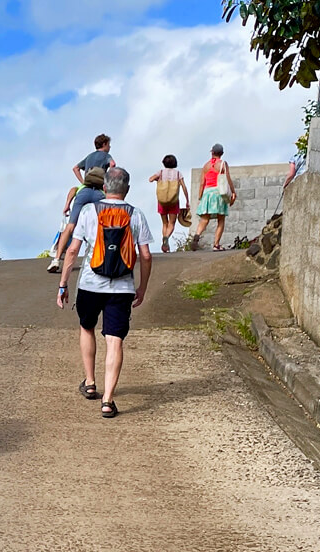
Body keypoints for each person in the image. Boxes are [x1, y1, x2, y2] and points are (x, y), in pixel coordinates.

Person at [56, 167, 153, 418]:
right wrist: (141, 287)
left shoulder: (89, 211)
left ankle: (90, 382)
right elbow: (145, 255)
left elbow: (71, 251)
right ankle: (108, 401)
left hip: (90, 283)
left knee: (87, 327)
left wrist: (63, 284)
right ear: (127, 189)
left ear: (104, 188)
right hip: (122, 287)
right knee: (114, 339)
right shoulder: (136, 214)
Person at [47, 135, 114, 273]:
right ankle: (101, 258)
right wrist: (108, 181)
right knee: (101, 225)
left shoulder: (89, 157)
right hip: (99, 193)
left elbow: (75, 168)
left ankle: (56, 259)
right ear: (105, 144)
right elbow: (112, 165)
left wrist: (83, 181)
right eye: (109, 144)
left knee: (71, 225)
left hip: (84, 191)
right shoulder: (106, 156)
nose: (110, 147)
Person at [191, 143, 236, 251]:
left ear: (212, 152)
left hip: (207, 192)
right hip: (218, 192)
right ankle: (216, 244)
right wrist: (233, 192)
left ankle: (197, 235)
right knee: (221, 219)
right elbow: (228, 178)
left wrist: (200, 196)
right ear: (222, 153)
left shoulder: (206, 166)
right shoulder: (223, 164)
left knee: (204, 219)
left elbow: (202, 182)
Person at [149, 154, 190, 253]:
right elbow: (184, 187)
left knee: (164, 223)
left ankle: (165, 243)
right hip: (173, 201)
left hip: (162, 201)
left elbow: (150, 179)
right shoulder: (178, 174)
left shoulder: (161, 172)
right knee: (171, 223)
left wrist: (156, 179)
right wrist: (187, 200)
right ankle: (166, 238)